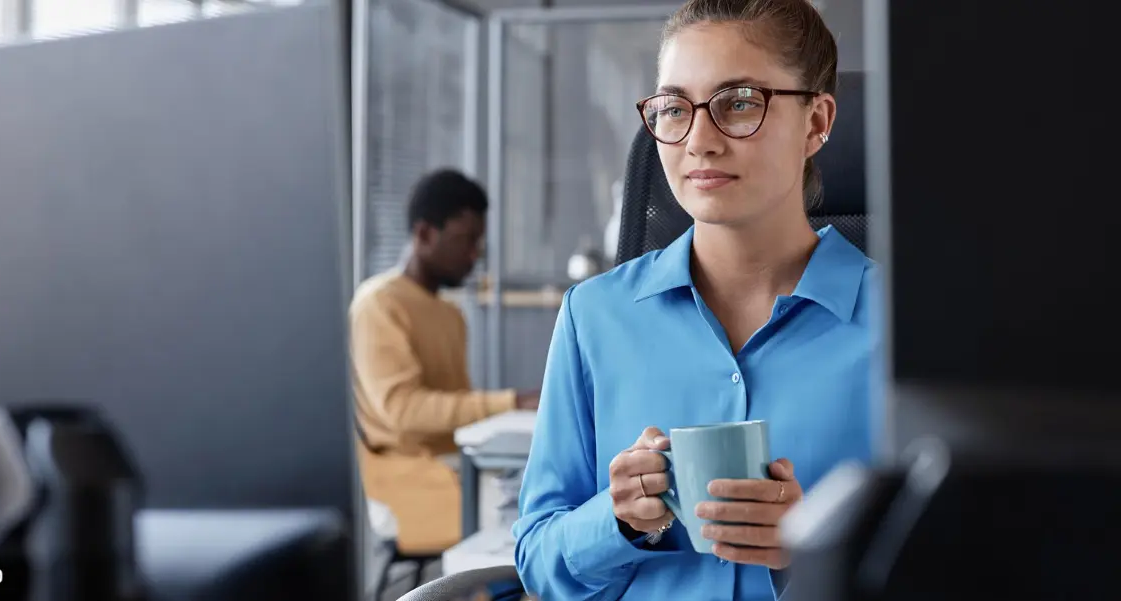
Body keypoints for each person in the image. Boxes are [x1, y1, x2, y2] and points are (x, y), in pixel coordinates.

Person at [512, 0, 877, 599]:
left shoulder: (903, 327)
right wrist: (618, 521)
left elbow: (967, 561)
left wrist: (814, 552)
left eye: (738, 104)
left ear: (815, 122)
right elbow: (537, 561)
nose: (698, 141)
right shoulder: (594, 317)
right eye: (675, 108)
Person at [351, 168, 540, 555]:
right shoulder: (378, 304)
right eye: (465, 241)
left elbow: (454, 415)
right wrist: (510, 402)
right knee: (529, 519)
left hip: (457, 470)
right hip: (403, 485)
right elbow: (405, 412)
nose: (474, 255)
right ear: (423, 235)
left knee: (546, 495)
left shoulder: (450, 314)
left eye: (479, 244)